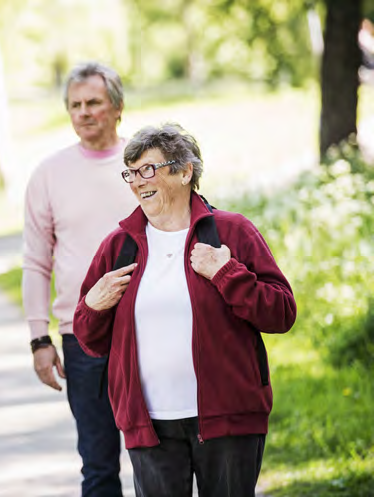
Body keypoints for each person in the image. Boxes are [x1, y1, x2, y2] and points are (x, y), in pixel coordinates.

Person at [73, 123, 297, 497]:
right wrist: (93, 307)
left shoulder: (232, 232)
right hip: (149, 426)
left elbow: (281, 313)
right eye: (130, 172)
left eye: (149, 169)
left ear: (184, 171)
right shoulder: (119, 246)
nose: (137, 181)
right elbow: (90, 340)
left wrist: (226, 274)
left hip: (229, 418)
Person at [22, 61, 139, 496]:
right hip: (83, 336)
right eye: (75, 105)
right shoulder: (48, 174)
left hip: (149, 328)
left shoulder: (143, 166)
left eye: (93, 102)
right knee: (98, 462)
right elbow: (36, 262)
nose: (84, 112)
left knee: (163, 452)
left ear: (117, 106)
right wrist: (40, 339)